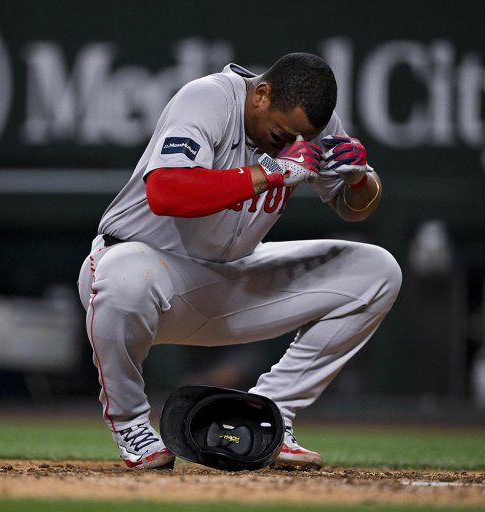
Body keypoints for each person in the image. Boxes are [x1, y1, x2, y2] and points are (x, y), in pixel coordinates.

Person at [77, 53, 402, 470]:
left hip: (231, 281)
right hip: (148, 272)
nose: (288, 144)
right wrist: (272, 171)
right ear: (261, 94)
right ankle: (131, 425)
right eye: (282, 134)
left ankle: (270, 416)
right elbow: (167, 192)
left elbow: (356, 208)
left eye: (295, 139)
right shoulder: (207, 99)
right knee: (125, 275)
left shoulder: (306, 124)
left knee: (378, 271)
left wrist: (360, 179)